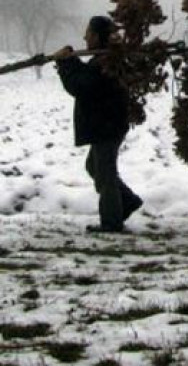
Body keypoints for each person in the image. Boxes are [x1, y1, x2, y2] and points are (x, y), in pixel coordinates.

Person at [53, 16, 142, 233]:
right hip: (107, 124)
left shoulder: (106, 62)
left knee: (105, 173)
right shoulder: (103, 60)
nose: (85, 37)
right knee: (95, 167)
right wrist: (70, 62)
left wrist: (65, 64)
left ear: (98, 37)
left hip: (107, 125)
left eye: (89, 34)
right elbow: (85, 76)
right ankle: (127, 201)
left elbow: (81, 86)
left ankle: (111, 222)